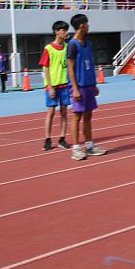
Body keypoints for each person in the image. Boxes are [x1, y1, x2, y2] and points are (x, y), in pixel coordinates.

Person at [67, 14, 107, 160]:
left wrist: (94, 84)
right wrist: (75, 88)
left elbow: (90, 63)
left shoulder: (88, 43)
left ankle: (89, 146)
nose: (89, 26)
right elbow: (70, 68)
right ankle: (76, 148)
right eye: (87, 24)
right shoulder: (72, 44)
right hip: (79, 85)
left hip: (89, 84)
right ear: (82, 25)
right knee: (77, 116)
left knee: (88, 116)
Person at [39, 20, 72, 151]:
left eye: (66, 30)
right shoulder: (48, 49)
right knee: (51, 112)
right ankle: (47, 139)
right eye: (63, 30)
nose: (65, 33)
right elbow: (45, 68)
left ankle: (62, 138)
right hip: (52, 85)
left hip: (64, 84)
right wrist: (50, 86)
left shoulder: (67, 47)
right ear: (56, 32)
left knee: (64, 112)